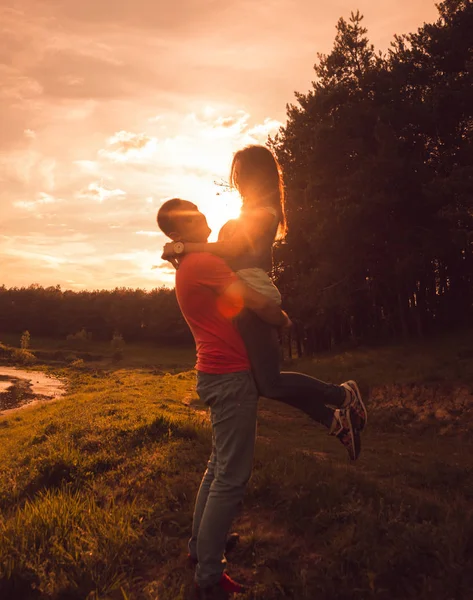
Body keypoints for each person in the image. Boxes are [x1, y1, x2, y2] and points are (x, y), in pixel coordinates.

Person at [162, 145, 367, 461]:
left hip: (254, 294)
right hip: (242, 299)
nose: (239, 181)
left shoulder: (265, 213)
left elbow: (231, 250)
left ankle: (341, 395)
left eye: (244, 174)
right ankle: (335, 420)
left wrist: (184, 246)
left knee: (268, 383)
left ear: (260, 175)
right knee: (261, 382)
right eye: (237, 175)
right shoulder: (246, 213)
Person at [157, 198, 292, 599]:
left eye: (198, 211)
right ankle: (209, 578)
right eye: (190, 219)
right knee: (231, 478)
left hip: (213, 372)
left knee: (218, 468)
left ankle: (200, 551)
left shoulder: (189, 264)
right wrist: (283, 319)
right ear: (177, 233)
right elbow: (255, 303)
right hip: (230, 375)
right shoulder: (204, 265)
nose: (202, 218)